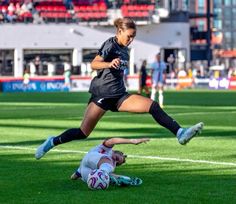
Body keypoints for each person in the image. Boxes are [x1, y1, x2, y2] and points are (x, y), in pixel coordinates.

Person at [35, 17, 204, 161]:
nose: (131, 40)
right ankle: (52, 142)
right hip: (102, 95)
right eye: (129, 36)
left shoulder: (125, 51)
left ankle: (180, 133)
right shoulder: (110, 44)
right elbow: (94, 63)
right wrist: (108, 63)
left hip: (120, 96)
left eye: (134, 37)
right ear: (120, 32)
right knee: (83, 132)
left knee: (153, 106)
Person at [70, 137, 149, 187]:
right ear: (119, 153)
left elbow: (75, 175)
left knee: (108, 174)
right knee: (107, 168)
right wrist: (132, 141)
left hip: (87, 174)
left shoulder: (110, 164)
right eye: (118, 158)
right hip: (91, 159)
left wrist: (73, 177)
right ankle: (109, 176)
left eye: (117, 163)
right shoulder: (107, 150)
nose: (116, 162)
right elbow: (112, 140)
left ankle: (118, 179)